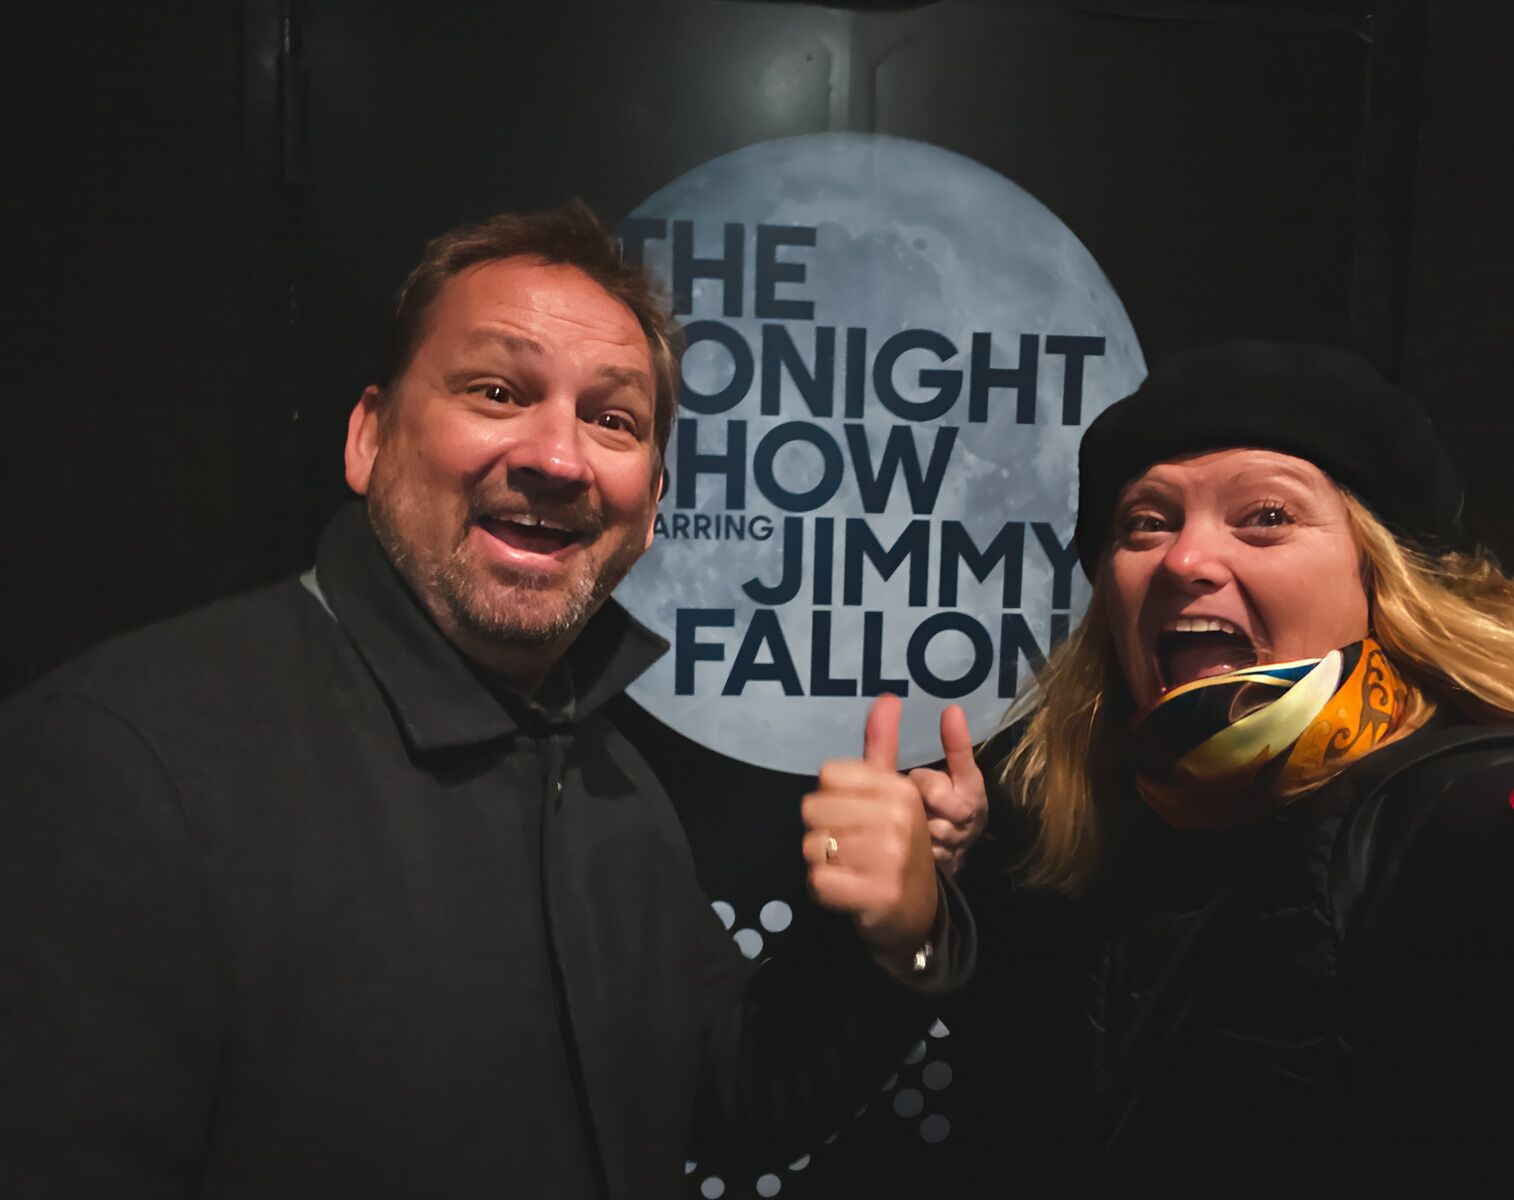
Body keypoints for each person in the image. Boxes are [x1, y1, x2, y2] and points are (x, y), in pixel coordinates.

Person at [0, 201, 973, 1198]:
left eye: (612, 418)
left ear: (652, 504)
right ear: (368, 438)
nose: (558, 458)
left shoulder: (606, 782)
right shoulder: (125, 762)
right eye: (498, 390)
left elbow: (741, 1099)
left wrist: (888, 938)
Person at [926, 341, 1514, 1197]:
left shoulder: (1459, 804)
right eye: (1147, 522)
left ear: (1383, 576)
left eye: (1266, 517)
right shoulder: (1042, 826)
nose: (1183, 560)